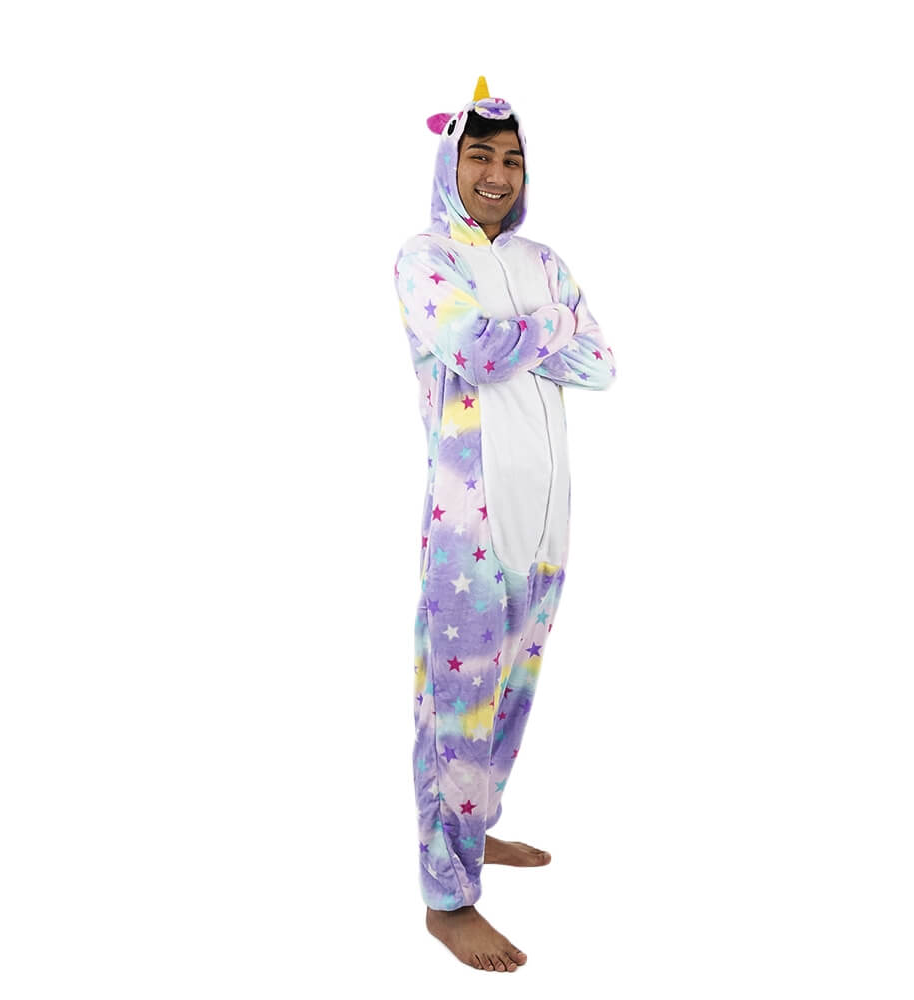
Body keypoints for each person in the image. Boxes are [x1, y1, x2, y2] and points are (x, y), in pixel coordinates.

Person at [393, 76, 617, 971]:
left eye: (512, 159)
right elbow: (476, 351)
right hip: (471, 528)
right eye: (480, 156)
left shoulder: (542, 262)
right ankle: (446, 899)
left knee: (514, 690)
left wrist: (530, 324)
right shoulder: (424, 259)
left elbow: (601, 365)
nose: (497, 173)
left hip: (548, 517)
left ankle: (474, 831)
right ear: (450, 166)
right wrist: (551, 328)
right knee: (457, 707)